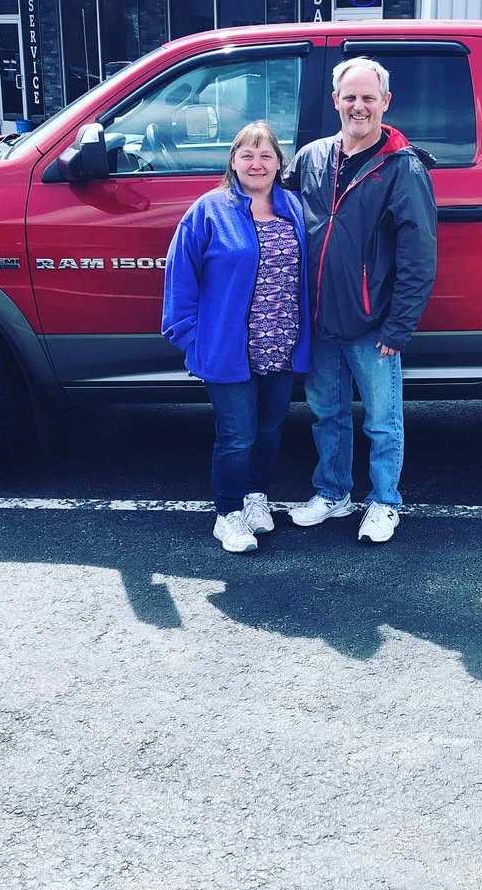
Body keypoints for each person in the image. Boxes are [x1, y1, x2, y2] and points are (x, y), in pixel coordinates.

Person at [284, 57, 437, 544]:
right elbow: (270, 205)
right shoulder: (311, 158)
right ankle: (332, 492)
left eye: (369, 97)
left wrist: (399, 325)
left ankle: (385, 501)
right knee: (326, 415)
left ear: (385, 102)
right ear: (336, 101)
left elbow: (418, 254)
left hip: (373, 323)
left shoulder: (402, 167)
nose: (359, 106)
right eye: (350, 97)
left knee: (382, 422)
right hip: (319, 319)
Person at [162, 121, 311, 553]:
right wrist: (191, 337)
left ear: (279, 163)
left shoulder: (295, 208)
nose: (256, 163)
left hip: (282, 344)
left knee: (270, 429)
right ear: (233, 161)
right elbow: (180, 277)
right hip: (227, 349)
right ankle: (227, 514)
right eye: (247, 155)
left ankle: (255, 497)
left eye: (266, 155)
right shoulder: (208, 211)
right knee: (236, 436)